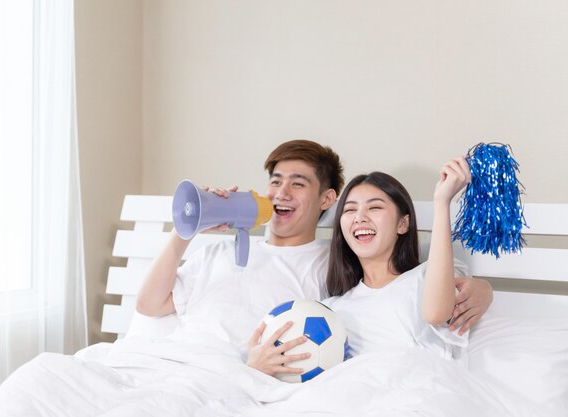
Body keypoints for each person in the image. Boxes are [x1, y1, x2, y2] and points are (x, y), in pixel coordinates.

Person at [138, 141, 492, 370]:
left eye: (298, 183)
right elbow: (149, 305)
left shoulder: (327, 269)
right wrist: (187, 230)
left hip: (233, 380)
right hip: (166, 365)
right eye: (275, 181)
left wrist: (481, 287)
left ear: (326, 201)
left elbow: (420, 292)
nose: (281, 193)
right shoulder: (217, 252)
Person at [323, 157, 474, 360]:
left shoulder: (429, 276)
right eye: (350, 210)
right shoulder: (333, 309)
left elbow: (436, 314)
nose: (359, 217)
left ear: (403, 224)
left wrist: (442, 202)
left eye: (374, 207)